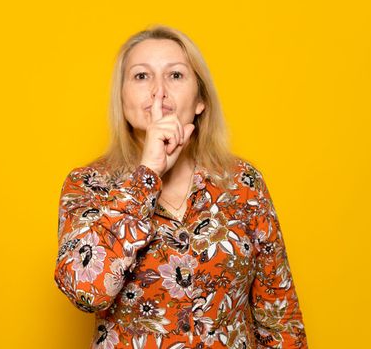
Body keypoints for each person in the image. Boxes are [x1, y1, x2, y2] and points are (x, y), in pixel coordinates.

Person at [54, 24, 308, 349]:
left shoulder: (243, 183)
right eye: (141, 76)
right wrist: (148, 174)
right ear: (122, 98)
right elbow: (87, 291)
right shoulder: (88, 184)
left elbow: (280, 314)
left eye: (175, 75)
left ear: (200, 100)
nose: (158, 91)